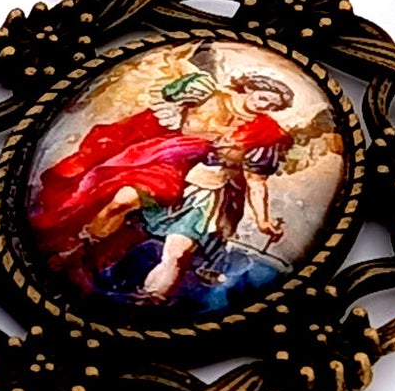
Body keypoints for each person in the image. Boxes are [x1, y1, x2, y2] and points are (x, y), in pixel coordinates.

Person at [31, 63, 295, 306]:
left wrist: (263, 220)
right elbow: (166, 101)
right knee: (123, 200)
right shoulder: (204, 94)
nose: (264, 106)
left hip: (203, 193)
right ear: (248, 88)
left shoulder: (266, 134)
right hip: (169, 167)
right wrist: (177, 92)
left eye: (272, 105)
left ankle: (147, 303)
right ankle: (78, 250)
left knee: (177, 253)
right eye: (263, 98)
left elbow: (256, 181)